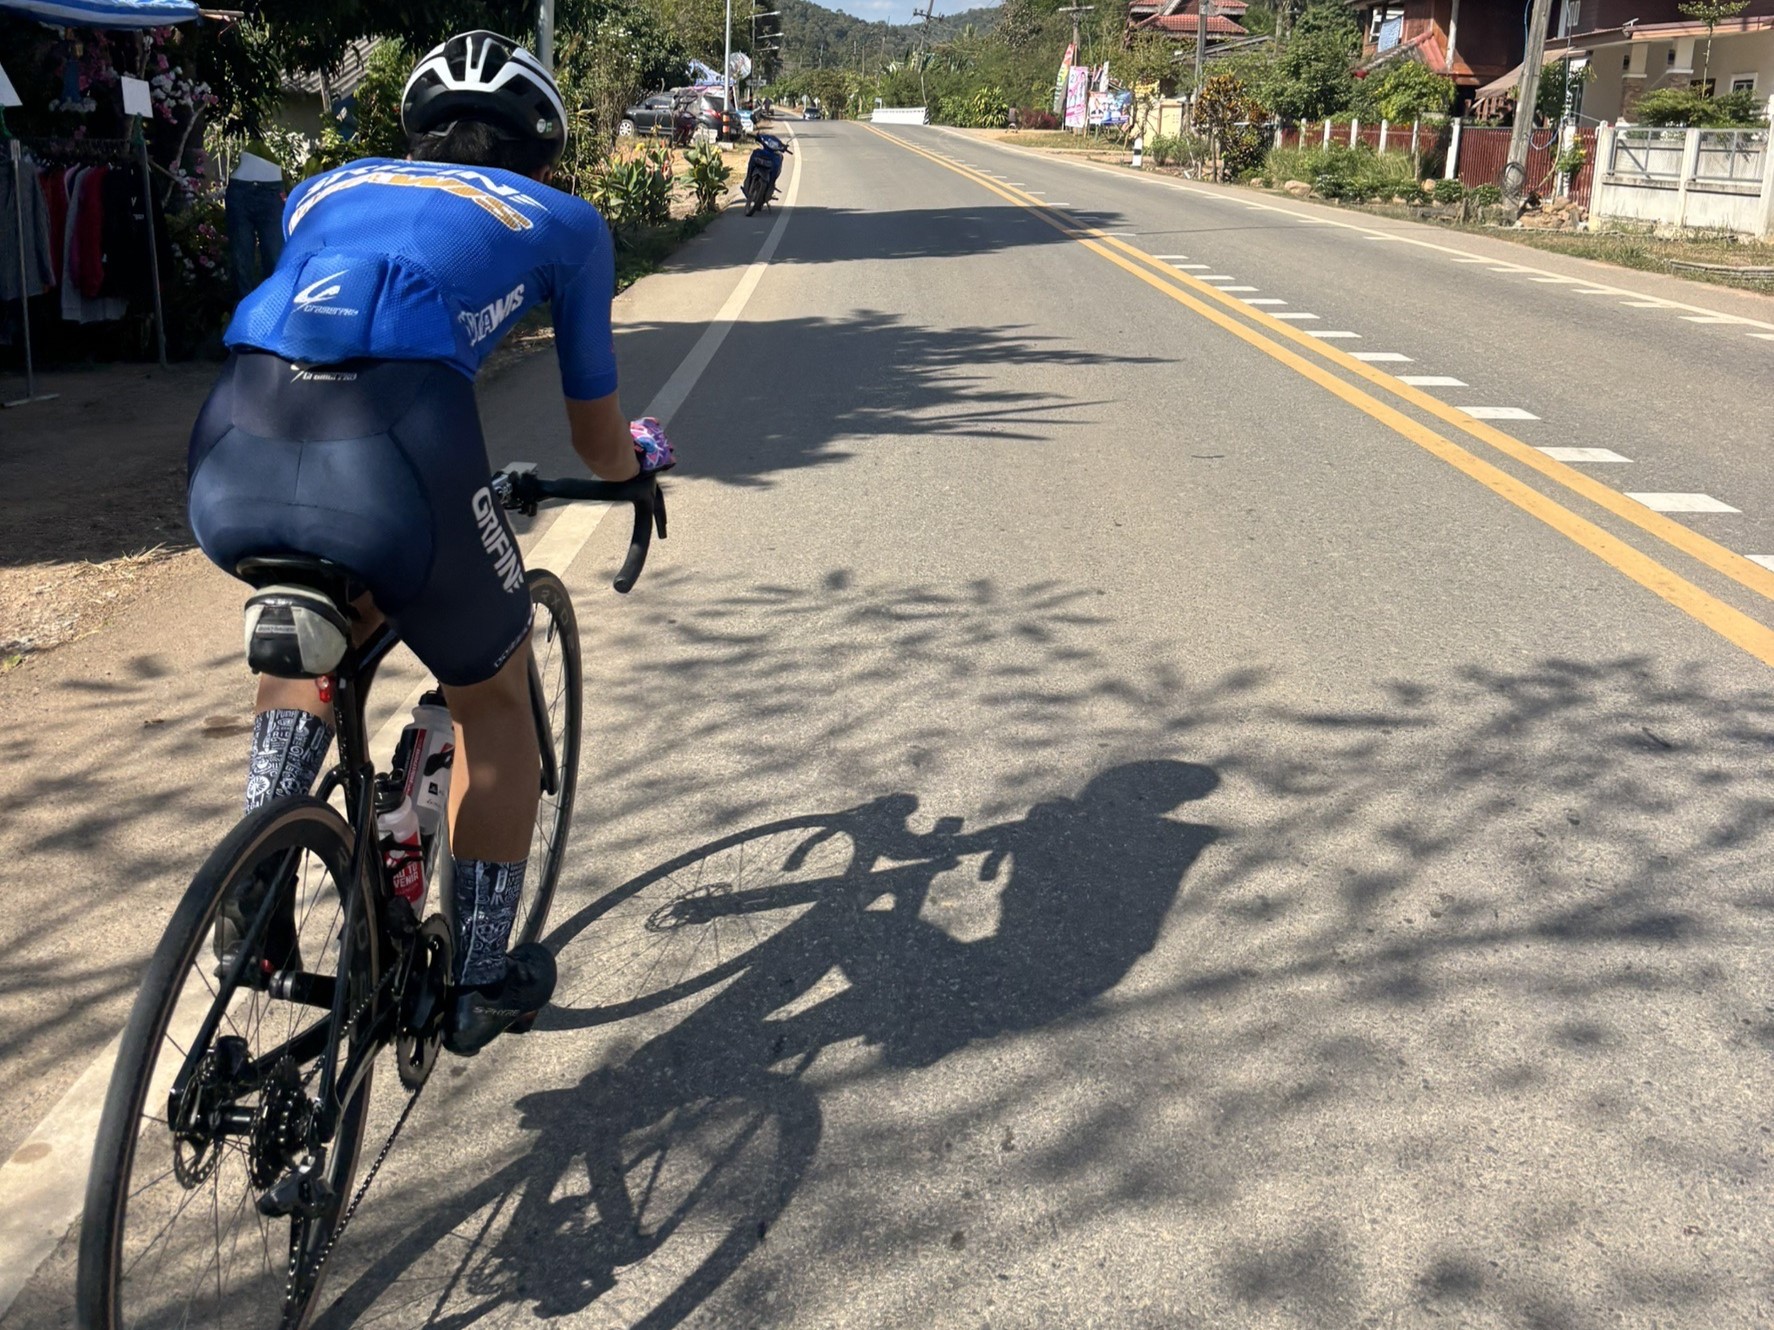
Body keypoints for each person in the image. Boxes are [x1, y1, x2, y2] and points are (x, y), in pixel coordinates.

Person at [186, 31, 675, 1055]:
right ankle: (481, 978)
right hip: (394, 459)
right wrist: (629, 471)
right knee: (495, 706)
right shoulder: (567, 221)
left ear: (413, 132)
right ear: (540, 146)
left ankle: (257, 884)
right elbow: (593, 431)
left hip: (233, 446)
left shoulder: (318, 190)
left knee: (313, 637)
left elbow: (329, 338)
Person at [225, 136, 286, 297]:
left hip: (270, 190)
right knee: (242, 263)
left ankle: (274, 307)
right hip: (240, 189)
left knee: (275, 258)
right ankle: (246, 316)